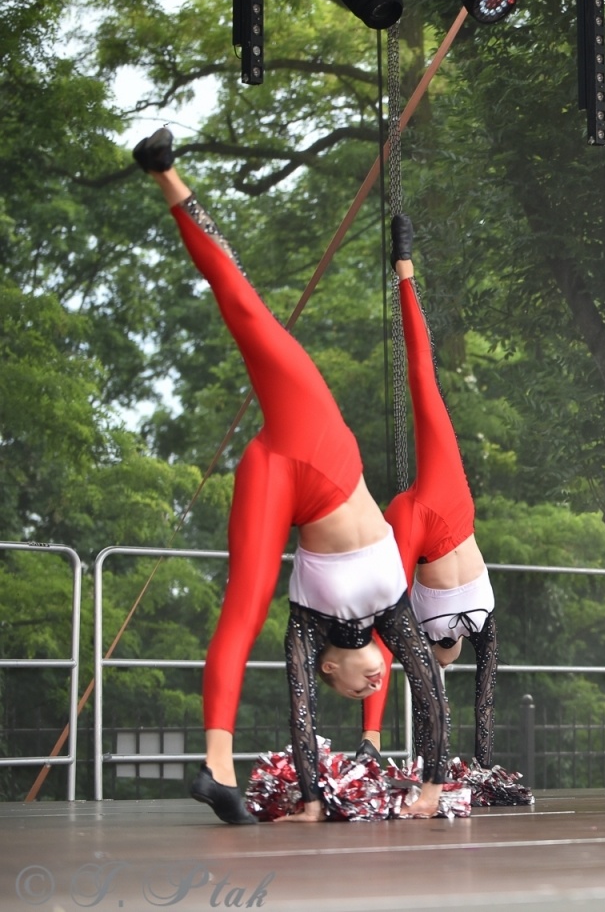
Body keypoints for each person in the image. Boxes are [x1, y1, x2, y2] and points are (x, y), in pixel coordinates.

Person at [133, 130, 449, 823]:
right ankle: (169, 179)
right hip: (322, 453)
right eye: (370, 676)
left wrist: (312, 796)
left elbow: (304, 706)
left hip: (279, 467)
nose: (370, 677)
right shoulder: (388, 616)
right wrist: (430, 783)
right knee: (242, 306)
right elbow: (424, 684)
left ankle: (217, 764)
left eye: (356, 683)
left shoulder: (307, 629)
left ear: (330, 669)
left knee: (242, 608)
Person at [357, 215, 499, 767]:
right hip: (432, 523)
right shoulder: (461, 628)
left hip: (446, 516)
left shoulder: (482, 617)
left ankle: (406, 270)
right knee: (385, 615)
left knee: (425, 379)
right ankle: (380, 739)